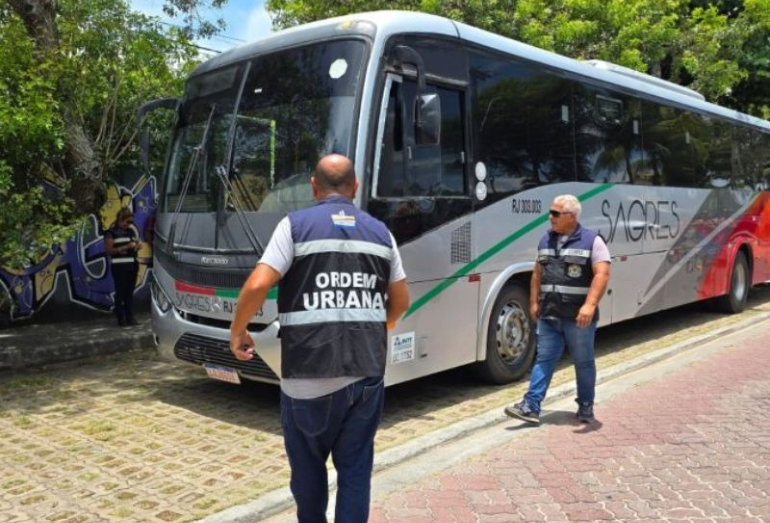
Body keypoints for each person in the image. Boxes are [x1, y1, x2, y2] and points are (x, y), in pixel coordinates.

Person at [229, 154, 410, 523]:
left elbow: (259, 284)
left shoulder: (294, 226)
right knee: (355, 472)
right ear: (355, 188)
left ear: (314, 186)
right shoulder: (380, 232)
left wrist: (238, 332)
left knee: (308, 477)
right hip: (365, 374)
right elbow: (401, 300)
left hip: (306, 379)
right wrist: (381, 323)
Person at [505, 194, 611, 425]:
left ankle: (585, 407)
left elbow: (602, 274)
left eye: (555, 213)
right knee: (543, 359)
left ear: (571, 216)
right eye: (550, 212)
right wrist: (533, 303)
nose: (550, 217)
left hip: (578, 318)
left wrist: (590, 305)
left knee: (583, 362)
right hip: (549, 314)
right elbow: (537, 274)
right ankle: (531, 406)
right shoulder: (545, 240)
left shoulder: (593, 241)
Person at [104, 207, 141, 327]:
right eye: (128, 221)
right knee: (120, 292)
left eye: (131, 222)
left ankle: (130, 317)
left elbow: (134, 245)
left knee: (129, 293)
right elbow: (109, 251)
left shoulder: (130, 232)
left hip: (132, 265)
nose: (130, 224)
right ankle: (121, 318)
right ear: (120, 219)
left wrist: (136, 247)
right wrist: (125, 247)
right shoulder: (111, 233)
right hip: (119, 266)